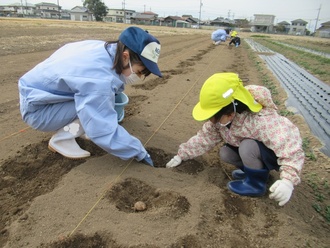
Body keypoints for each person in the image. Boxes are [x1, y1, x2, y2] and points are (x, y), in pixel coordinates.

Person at [18, 26, 162, 166]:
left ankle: (78, 128)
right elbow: (101, 127)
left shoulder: (101, 48)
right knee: (94, 111)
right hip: (38, 111)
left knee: (101, 100)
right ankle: (63, 139)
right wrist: (138, 151)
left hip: (36, 94)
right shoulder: (99, 80)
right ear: (126, 57)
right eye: (138, 71)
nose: (137, 76)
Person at [166, 73, 305, 206]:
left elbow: (289, 143)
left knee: (247, 146)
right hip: (255, 154)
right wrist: (181, 155)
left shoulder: (260, 120)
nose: (211, 121)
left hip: (272, 156)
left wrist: (288, 180)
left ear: (230, 114)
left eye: (213, 117)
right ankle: (253, 173)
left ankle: (255, 185)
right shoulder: (220, 123)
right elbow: (203, 139)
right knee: (226, 152)